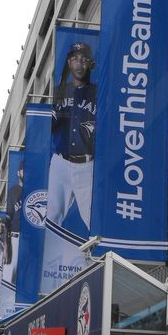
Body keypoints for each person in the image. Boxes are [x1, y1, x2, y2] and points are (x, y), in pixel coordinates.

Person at [46, 42, 97, 231]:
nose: (79, 63)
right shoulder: (59, 92)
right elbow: (48, 127)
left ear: (89, 64)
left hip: (88, 164)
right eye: (75, 59)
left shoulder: (98, 93)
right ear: (69, 62)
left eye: (84, 60)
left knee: (93, 219)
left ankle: (99, 260)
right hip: (60, 163)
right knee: (51, 217)